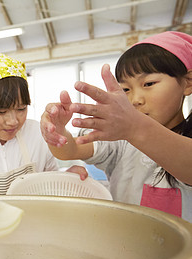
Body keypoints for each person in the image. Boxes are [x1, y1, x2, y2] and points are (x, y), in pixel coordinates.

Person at [40, 31, 192, 221]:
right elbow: (71, 149)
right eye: (126, 89)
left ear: (187, 82)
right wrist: (58, 132)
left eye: (149, 83)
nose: (135, 99)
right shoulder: (122, 141)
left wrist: (134, 128)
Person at [0, 50, 87, 195]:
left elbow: (49, 183)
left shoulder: (38, 134)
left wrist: (65, 177)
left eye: (21, 109)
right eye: (1, 112)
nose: (13, 121)